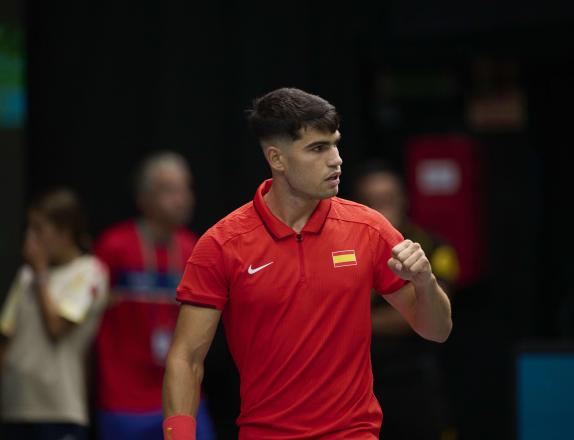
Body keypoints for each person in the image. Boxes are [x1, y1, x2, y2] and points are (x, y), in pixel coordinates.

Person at [162, 88, 453, 440]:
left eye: (335, 143)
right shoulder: (221, 245)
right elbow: (186, 358)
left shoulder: (370, 229)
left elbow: (437, 330)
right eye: (318, 148)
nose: (336, 160)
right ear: (277, 159)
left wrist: (425, 282)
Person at [93, 152, 215, 439]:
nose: (182, 198)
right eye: (170, 190)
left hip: (183, 398)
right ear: (143, 198)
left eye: (186, 188)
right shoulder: (114, 247)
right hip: (123, 401)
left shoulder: (194, 249)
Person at [353, 162, 460, 439]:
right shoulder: (346, 251)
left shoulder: (435, 247)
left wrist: (350, 320)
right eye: (374, 201)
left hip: (416, 379)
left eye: (388, 199)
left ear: (403, 200)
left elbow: (428, 314)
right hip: (361, 384)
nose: (383, 209)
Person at [0, 188, 109, 440]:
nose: (30, 238)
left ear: (65, 231)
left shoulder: (90, 271)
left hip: (59, 409)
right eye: (29, 229)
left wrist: (40, 275)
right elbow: (6, 336)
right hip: (15, 407)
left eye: (39, 229)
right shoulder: (26, 276)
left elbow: (56, 328)